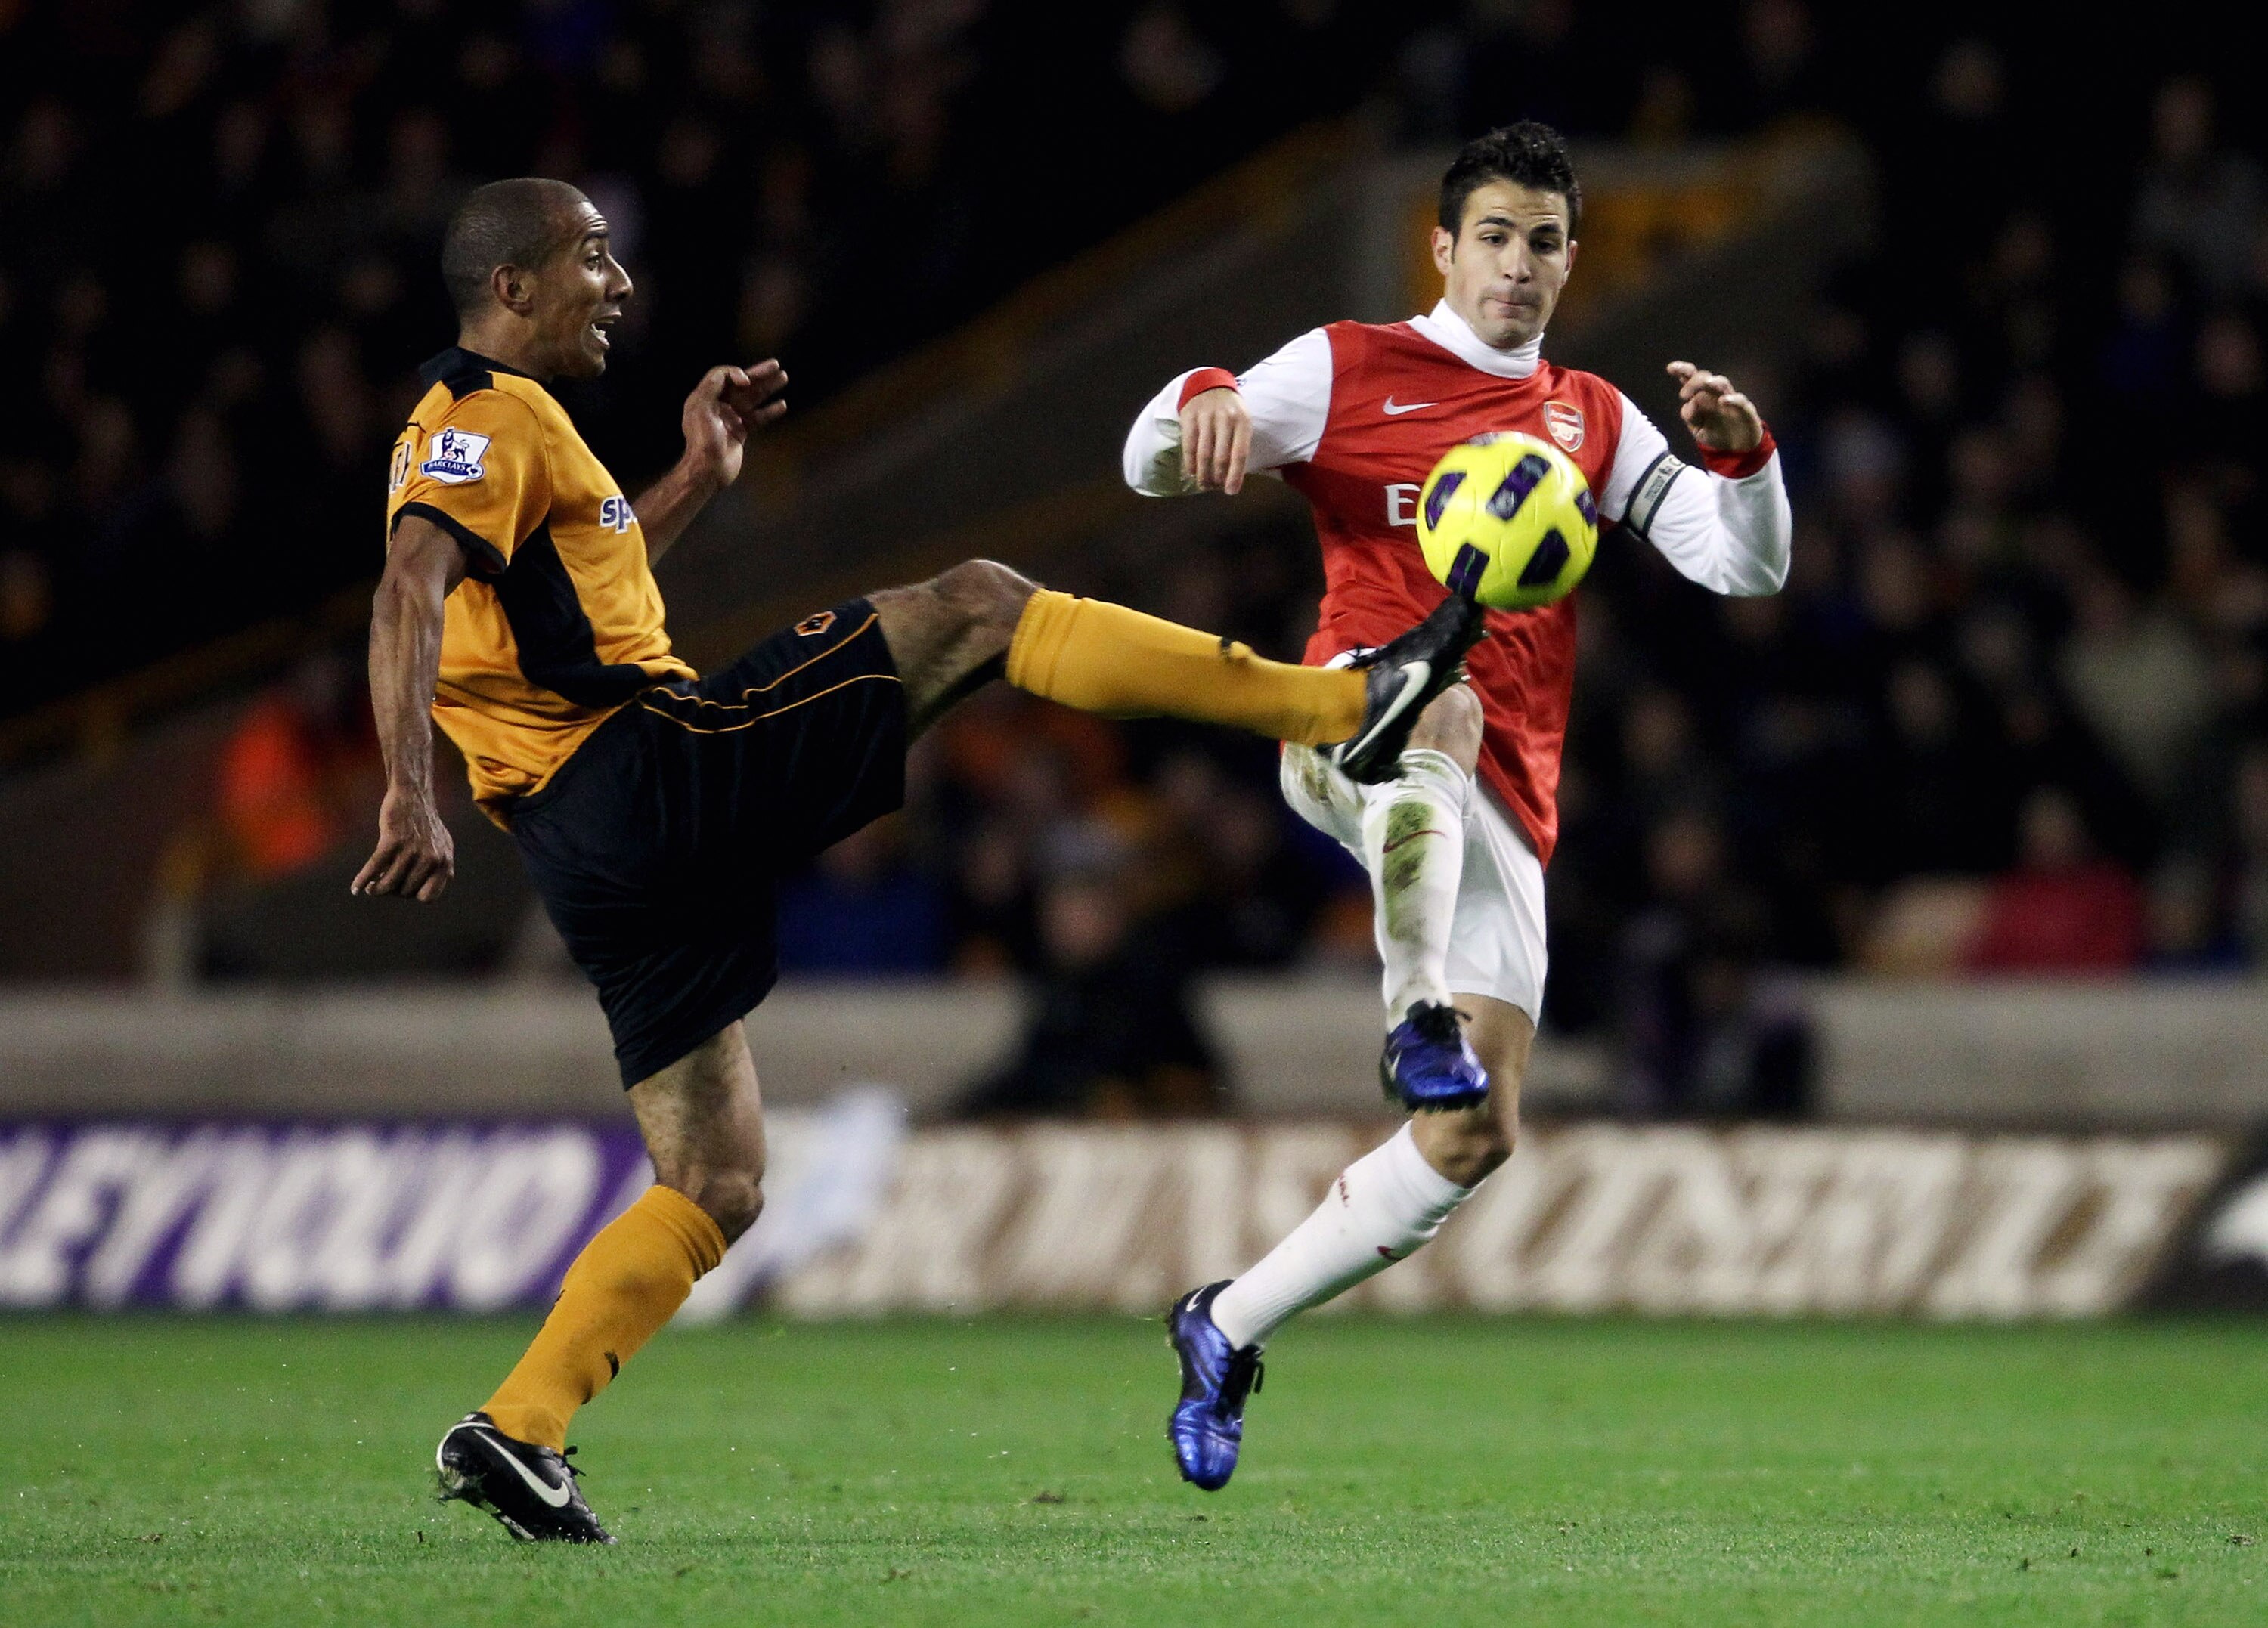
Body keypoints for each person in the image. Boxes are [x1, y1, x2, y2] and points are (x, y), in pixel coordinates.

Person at [358, 177, 1479, 1544]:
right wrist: (406, 788)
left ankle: (520, 1426)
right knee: (980, 607)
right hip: (645, 767)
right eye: (591, 258)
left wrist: (696, 482)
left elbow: (568, 589)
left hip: (588, 850)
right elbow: (408, 581)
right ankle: (1348, 708)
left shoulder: (531, 437)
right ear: (513, 289)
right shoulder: (478, 416)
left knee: (714, 1177)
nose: (620, 282)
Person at [1123, 122, 1792, 1489]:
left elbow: (1742, 570)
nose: (1520, 265)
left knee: (1475, 1131)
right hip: (1340, 718)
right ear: (1444, 246)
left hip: (1501, 803)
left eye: (1545, 241)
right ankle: (1409, 1008)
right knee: (1443, 694)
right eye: (1496, 235)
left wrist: (1751, 460)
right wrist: (1197, 395)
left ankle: (1225, 1324)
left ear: (1569, 260)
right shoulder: (1345, 366)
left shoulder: (1592, 418)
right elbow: (1145, 455)